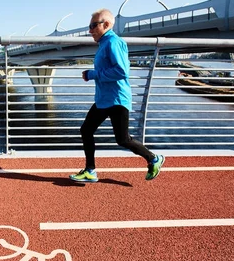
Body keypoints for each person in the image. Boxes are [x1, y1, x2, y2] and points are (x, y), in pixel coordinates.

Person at [70, 9, 165, 183]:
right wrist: (93, 74)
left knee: (123, 139)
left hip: (116, 99)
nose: (90, 30)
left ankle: (153, 158)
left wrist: (92, 74)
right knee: (86, 130)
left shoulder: (113, 42)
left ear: (106, 25)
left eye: (93, 26)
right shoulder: (104, 44)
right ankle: (90, 170)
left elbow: (121, 71)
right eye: (89, 26)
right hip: (104, 99)